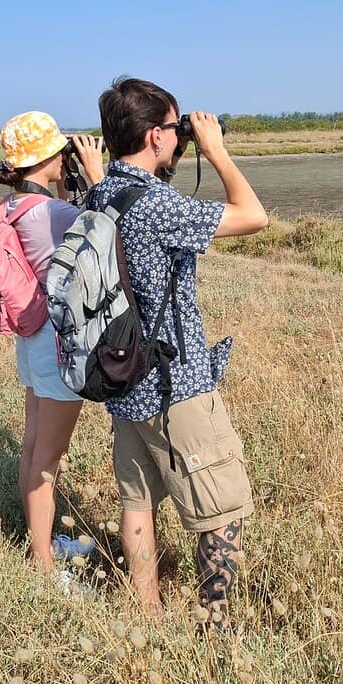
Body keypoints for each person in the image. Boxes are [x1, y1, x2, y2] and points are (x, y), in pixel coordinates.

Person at [91, 77, 268, 629]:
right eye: (174, 128)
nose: (181, 136)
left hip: (124, 382)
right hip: (177, 387)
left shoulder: (101, 194)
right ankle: (214, 626)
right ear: (152, 137)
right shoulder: (158, 205)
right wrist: (216, 150)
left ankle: (146, 611)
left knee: (138, 501)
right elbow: (253, 214)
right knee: (223, 509)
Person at [0, 111, 104, 572]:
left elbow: (62, 229)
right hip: (60, 343)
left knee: (34, 444)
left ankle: (43, 544)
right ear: (47, 157)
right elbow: (105, 233)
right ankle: (43, 566)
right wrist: (97, 177)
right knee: (48, 458)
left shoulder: (16, 206)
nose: (68, 155)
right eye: (61, 150)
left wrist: (68, 189)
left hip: (33, 337)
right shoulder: (56, 214)